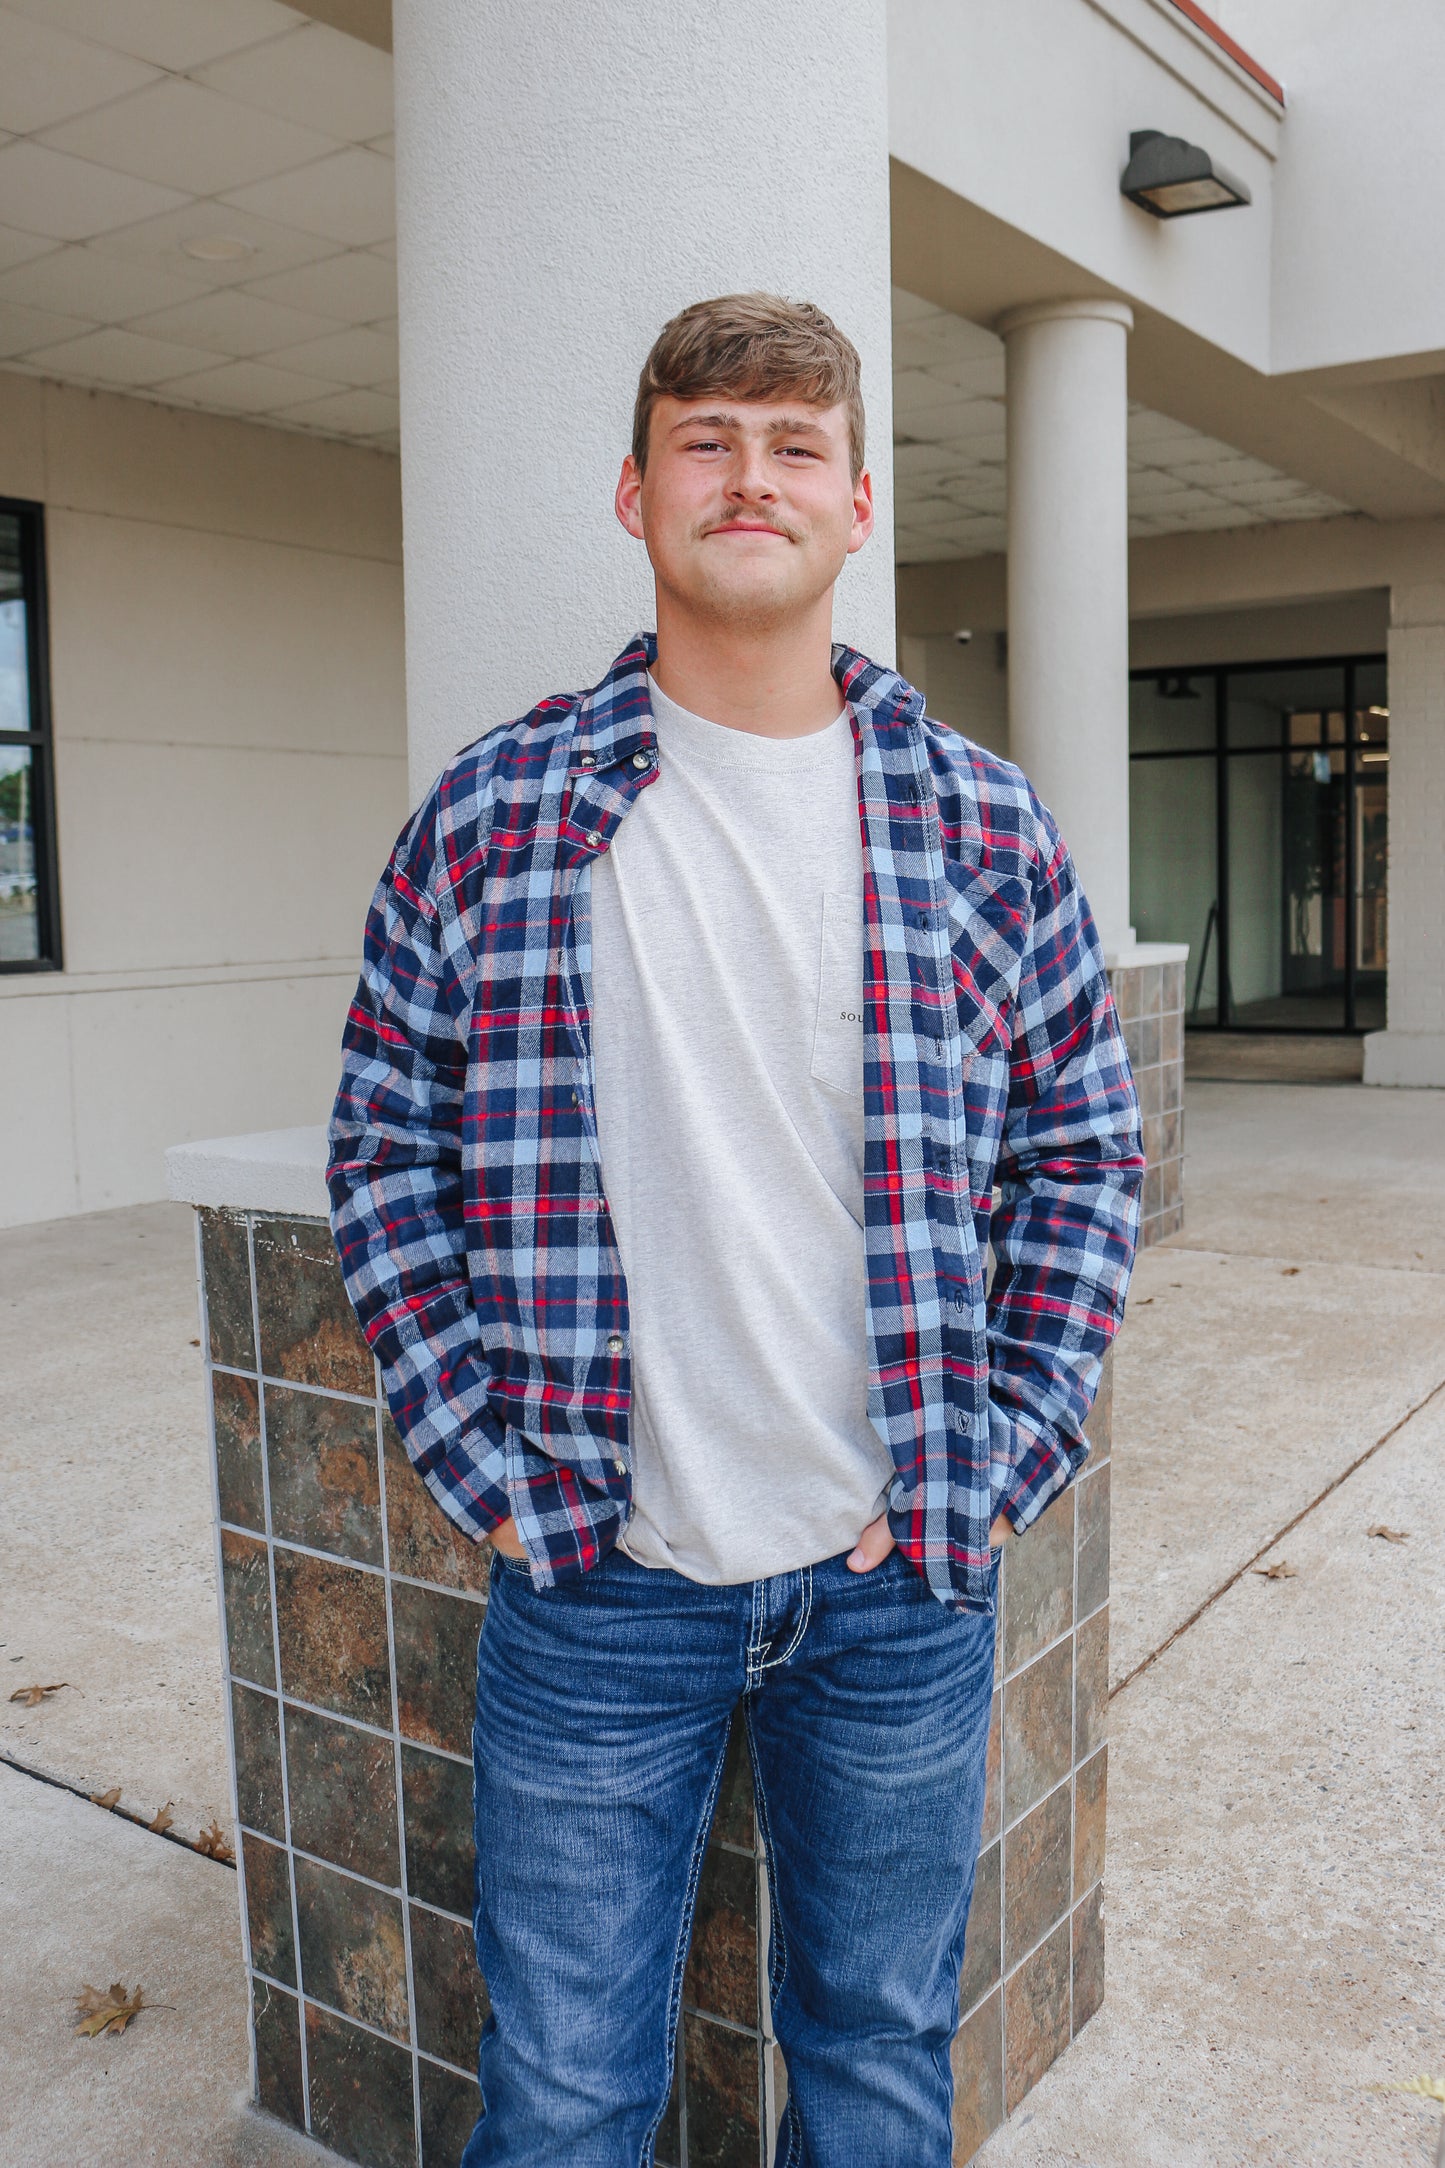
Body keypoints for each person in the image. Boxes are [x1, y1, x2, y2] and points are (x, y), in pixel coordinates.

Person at [328, 291, 1142, 2167]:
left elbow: (1087, 1159)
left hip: (897, 1583)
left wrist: (992, 1464)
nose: (747, 477)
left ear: (859, 504)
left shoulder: (982, 826)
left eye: (793, 447)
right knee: (561, 2095)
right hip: (598, 1581)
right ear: (634, 494)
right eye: (705, 440)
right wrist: (489, 1464)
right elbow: (383, 1142)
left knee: (870, 2065)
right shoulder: (498, 810)